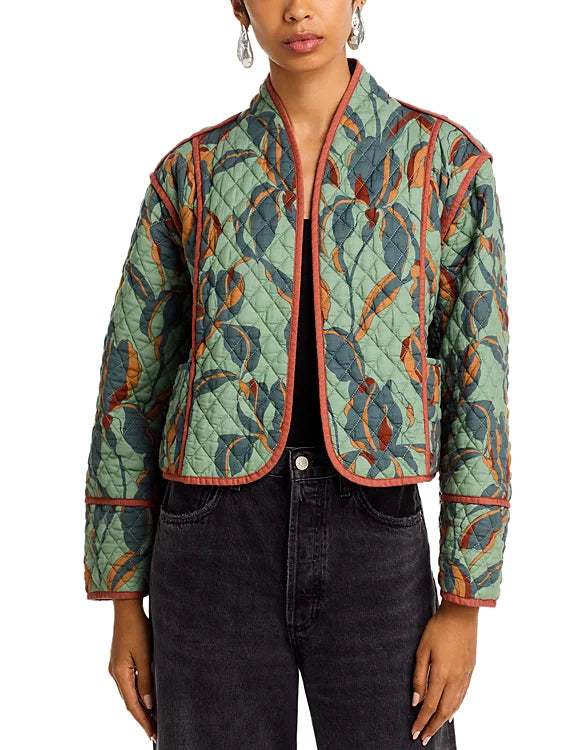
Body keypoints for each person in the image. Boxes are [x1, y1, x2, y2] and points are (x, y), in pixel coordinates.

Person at [83, 1, 511, 748]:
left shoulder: (444, 166)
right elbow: (131, 385)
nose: (298, 8)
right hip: (212, 541)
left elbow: (483, 387)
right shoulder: (192, 174)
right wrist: (124, 600)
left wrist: (464, 601)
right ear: (239, 5)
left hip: (376, 536)